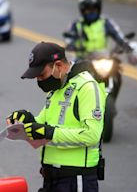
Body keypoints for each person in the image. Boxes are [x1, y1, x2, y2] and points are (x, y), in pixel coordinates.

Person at [7, 42, 106, 192]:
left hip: (75, 180)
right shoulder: (56, 89)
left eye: (41, 75)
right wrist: (26, 120)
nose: (39, 81)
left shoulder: (87, 87)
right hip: (52, 179)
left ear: (58, 66)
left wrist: (49, 132)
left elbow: (92, 135)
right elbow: (43, 126)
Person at [65, 0, 132, 59]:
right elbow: (69, 38)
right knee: (72, 67)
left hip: (103, 58)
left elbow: (117, 34)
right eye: (88, 9)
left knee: (117, 66)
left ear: (99, 9)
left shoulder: (106, 22)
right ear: (83, 10)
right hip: (83, 59)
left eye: (94, 9)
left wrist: (124, 43)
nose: (92, 12)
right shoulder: (76, 24)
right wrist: (71, 45)